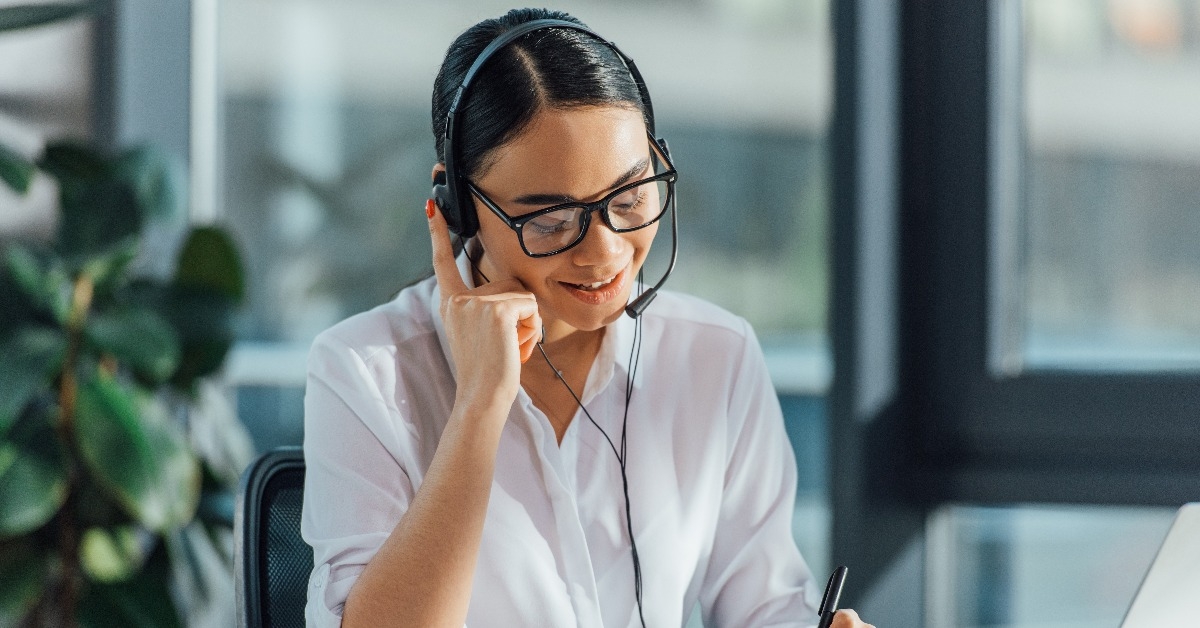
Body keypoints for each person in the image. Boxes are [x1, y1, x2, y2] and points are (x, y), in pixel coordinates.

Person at [301, 8, 875, 628]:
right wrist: (479, 406)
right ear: (455, 208)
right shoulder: (364, 373)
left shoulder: (717, 356)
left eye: (629, 200)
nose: (604, 252)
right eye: (549, 221)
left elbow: (765, 607)